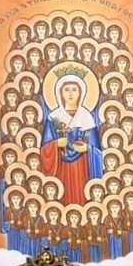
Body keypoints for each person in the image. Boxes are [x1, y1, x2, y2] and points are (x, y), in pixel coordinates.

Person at [40, 73, 103, 205]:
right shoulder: (54, 117)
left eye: (74, 90)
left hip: (82, 165)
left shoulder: (86, 117)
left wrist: (87, 148)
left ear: (80, 93)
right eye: (66, 90)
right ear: (60, 93)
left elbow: (97, 150)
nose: (70, 94)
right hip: (60, 166)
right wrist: (56, 144)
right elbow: (44, 149)